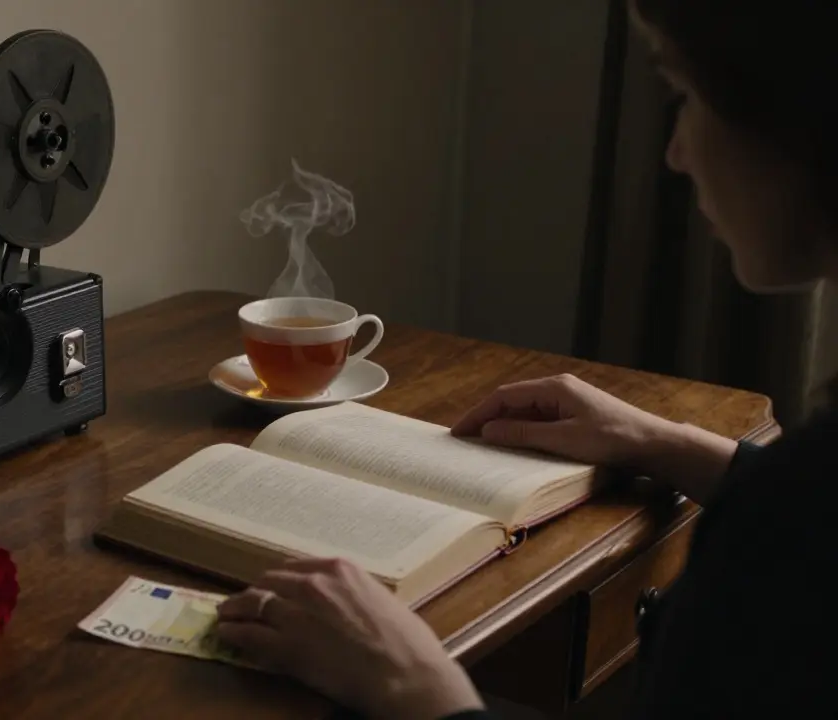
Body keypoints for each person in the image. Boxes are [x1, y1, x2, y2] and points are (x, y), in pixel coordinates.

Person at [213, 1, 838, 717]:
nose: (675, 152)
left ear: (793, 120)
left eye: (686, 97)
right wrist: (665, 444)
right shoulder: (797, 498)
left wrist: (419, 688)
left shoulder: (787, 516)